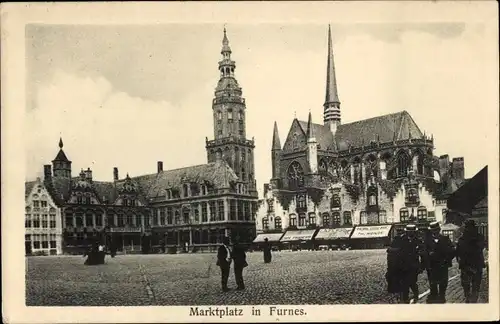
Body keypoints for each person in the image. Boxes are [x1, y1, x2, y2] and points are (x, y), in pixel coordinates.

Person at [386, 224, 425, 303]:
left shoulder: (418, 241)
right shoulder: (400, 240)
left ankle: (416, 295)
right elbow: (390, 250)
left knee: (413, 282)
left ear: (415, 232)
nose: (411, 233)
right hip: (403, 266)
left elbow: (423, 254)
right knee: (405, 284)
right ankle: (405, 299)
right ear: (406, 232)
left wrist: (421, 266)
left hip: (414, 266)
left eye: (413, 232)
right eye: (409, 232)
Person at [424, 221, 456, 303]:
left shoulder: (445, 239)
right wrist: (428, 255)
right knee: (432, 283)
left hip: (442, 265)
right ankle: (433, 296)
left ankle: (442, 297)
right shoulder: (427, 241)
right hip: (431, 266)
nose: (435, 231)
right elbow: (423, 252)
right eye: (433, 230)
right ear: (431, 231)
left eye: (436, 229)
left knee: (443, 282)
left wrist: (446, 259)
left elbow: (452, 251)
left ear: (439, 229)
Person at [456, 219, 486, 303]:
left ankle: (470, 300)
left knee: (472, 286)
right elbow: (458, 252)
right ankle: (469, 299)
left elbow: (458, 252)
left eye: (468, 227)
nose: (467, 229)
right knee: (469, 286)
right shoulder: (478, 237)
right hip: (470, 266)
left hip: (471, 265)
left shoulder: (464, 239)